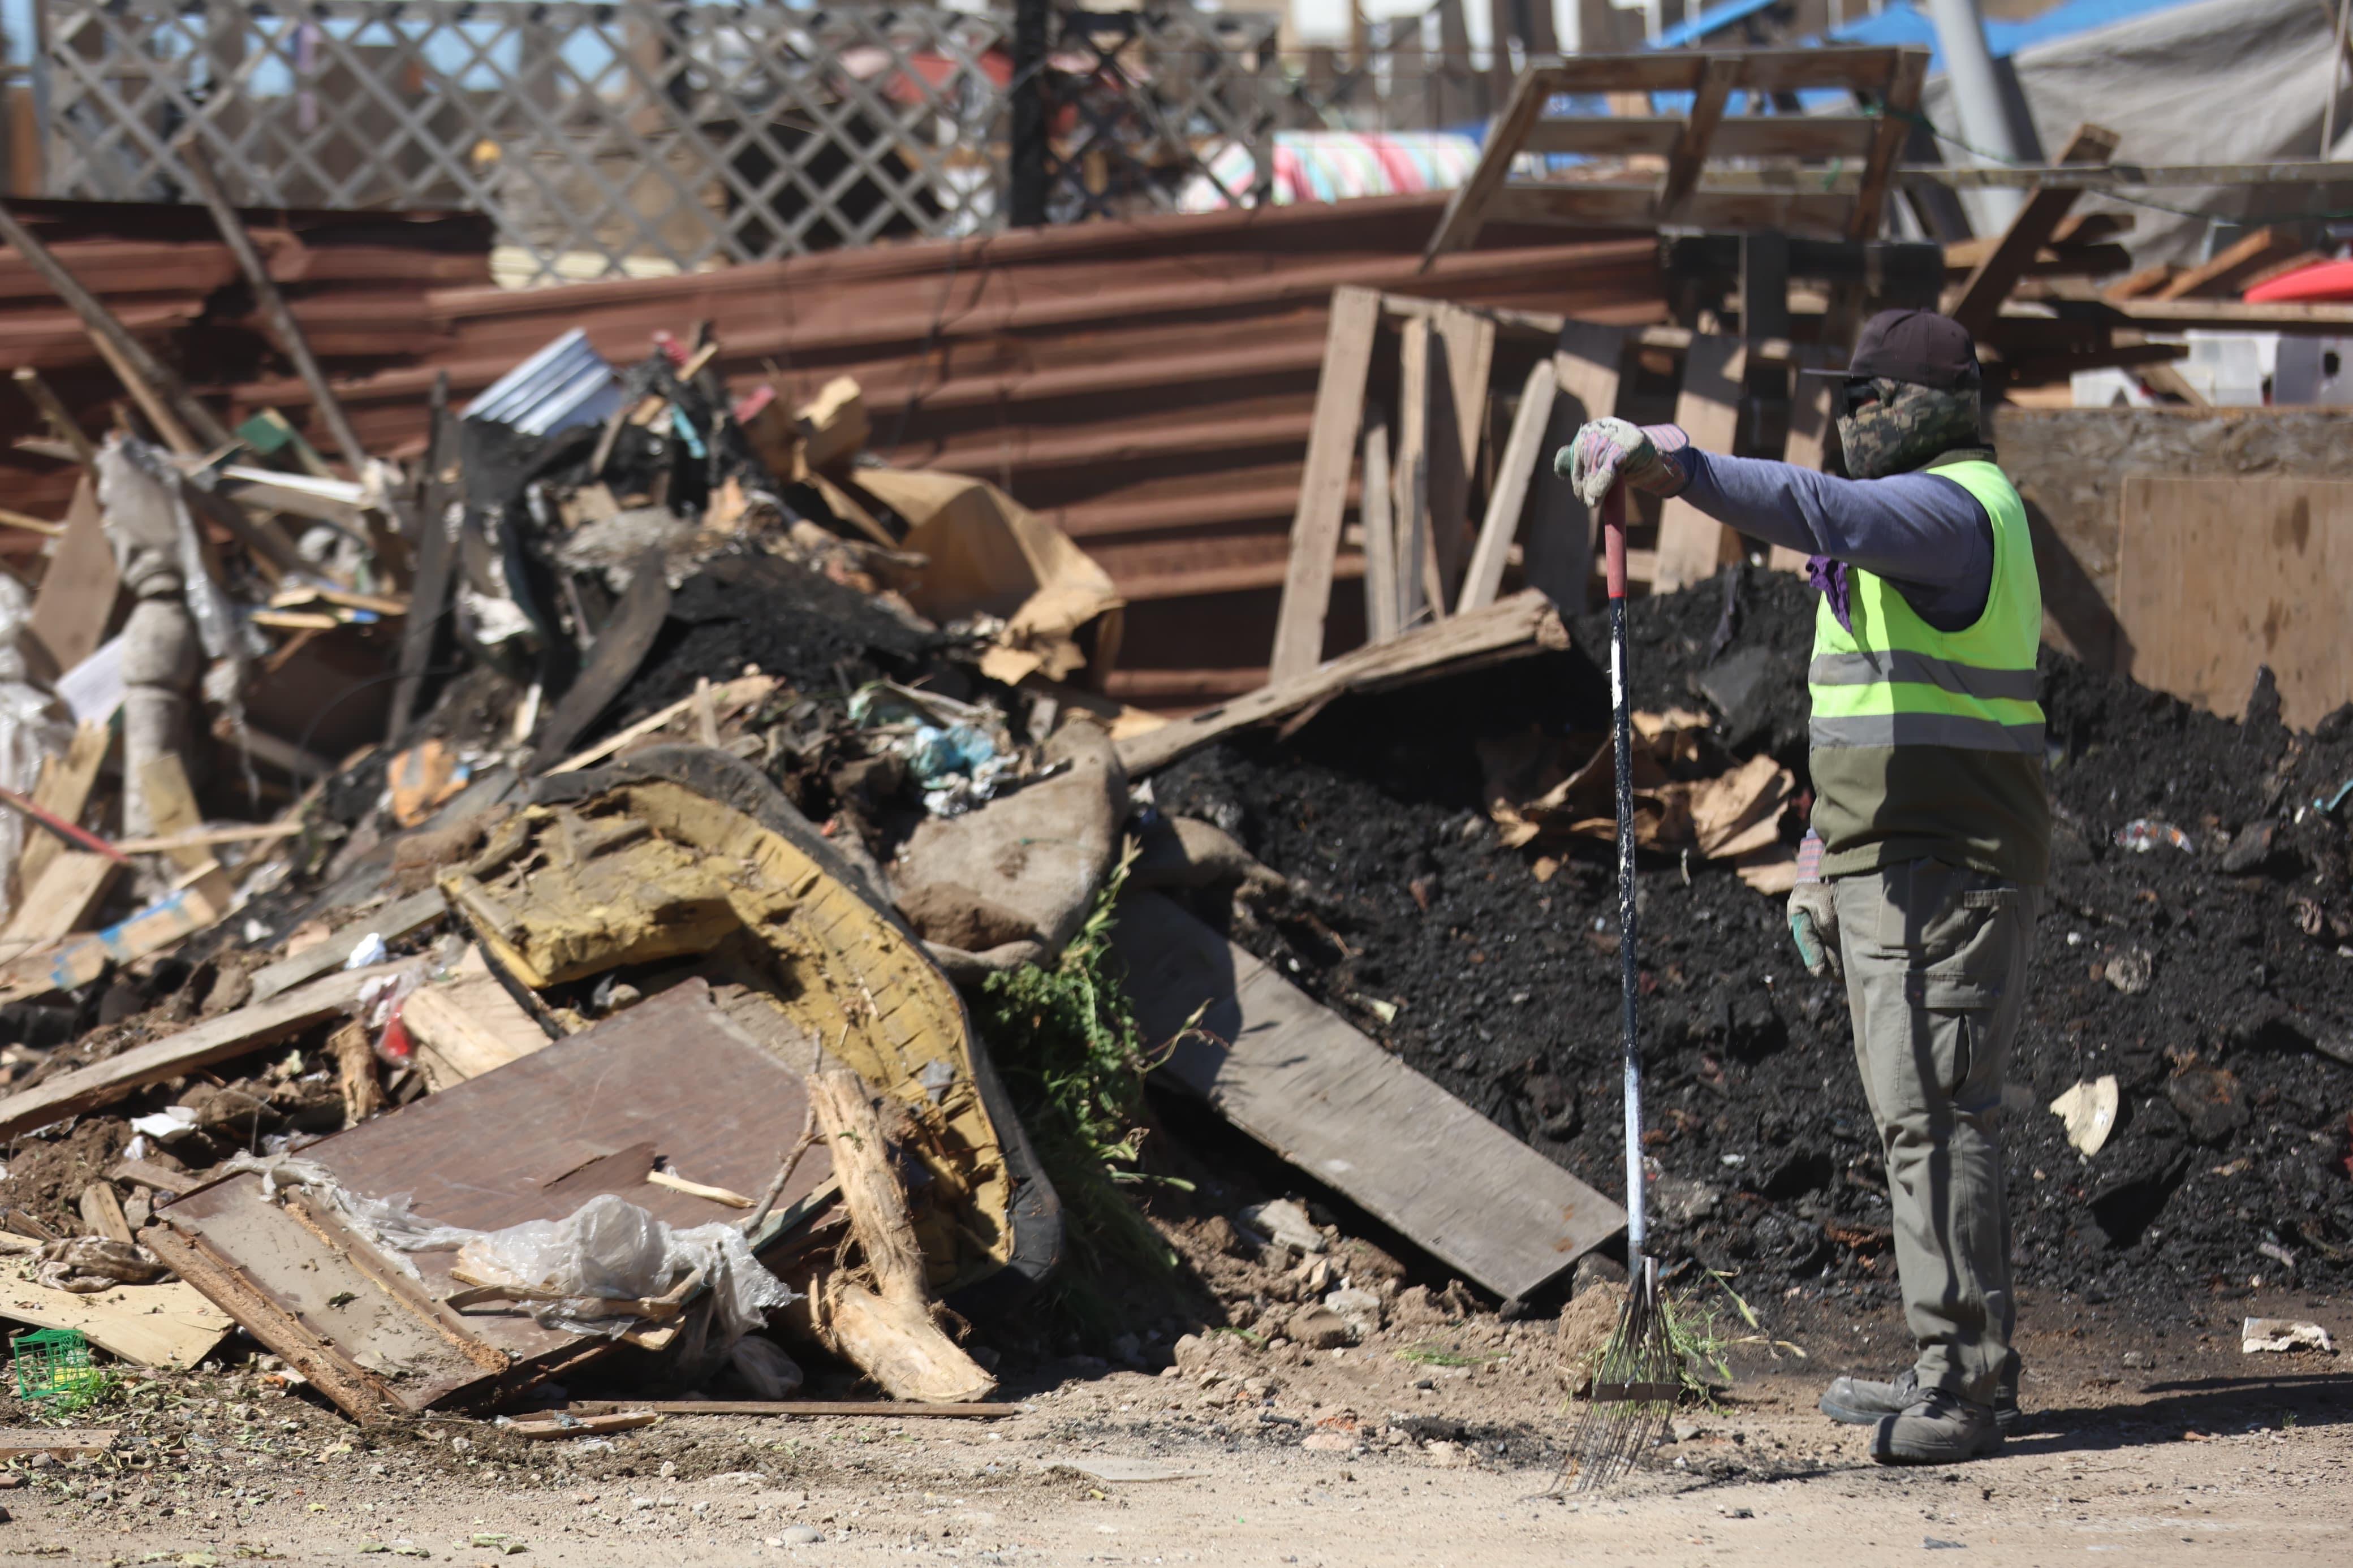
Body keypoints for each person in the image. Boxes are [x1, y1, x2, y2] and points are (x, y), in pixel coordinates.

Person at [1562, 309, 2046, 1466]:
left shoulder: (1954, 510)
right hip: (1896, 857)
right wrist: (1823, 856)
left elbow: (1824, 508)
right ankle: (1949, 1362)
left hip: (1948, 866)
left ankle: (1965, 1385)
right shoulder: (1904, 534)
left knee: (1937, 1117)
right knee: (1916, 1117)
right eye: (1849, 395)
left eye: (1873, 397)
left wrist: (1680, 462)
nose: (1853, 416)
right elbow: (1864, 706)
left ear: (1933, 405)